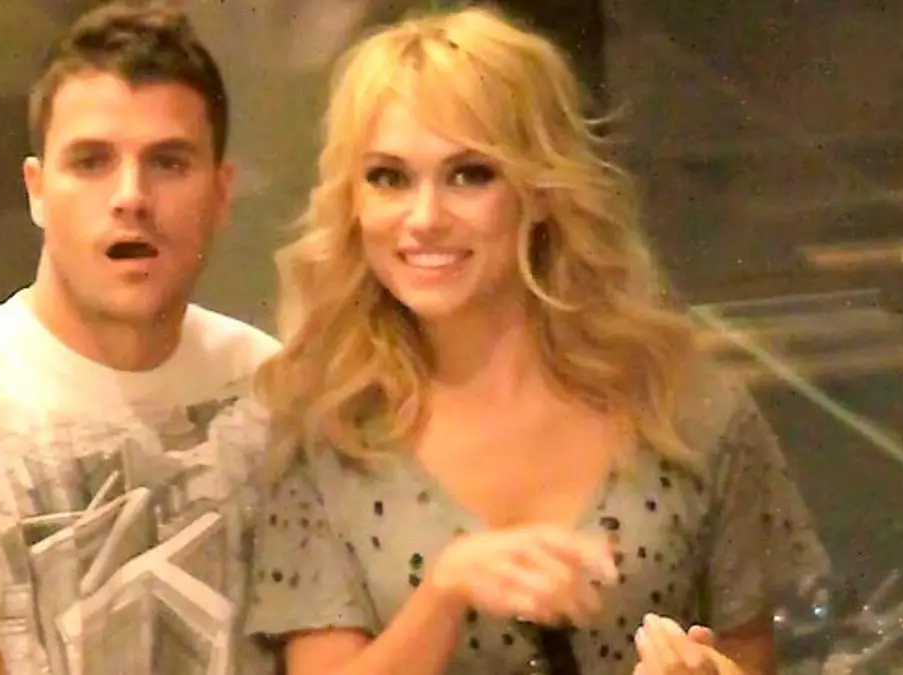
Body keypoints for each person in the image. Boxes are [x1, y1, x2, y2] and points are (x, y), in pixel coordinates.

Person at [243, 7, 829, 675]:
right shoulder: (327, 432)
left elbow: (751, 656)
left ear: (542, 189)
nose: (424, 218)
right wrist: (444, 594)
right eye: (389, 177)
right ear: (352, 201)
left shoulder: (688, 411)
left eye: (470, 174)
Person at [0, 3, 278, 675]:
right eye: (92, 162)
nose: (131, 196)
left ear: (221, 194)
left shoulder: (275, 391)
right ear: (37, 191)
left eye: (168, 162)